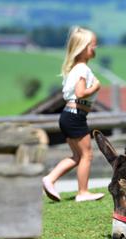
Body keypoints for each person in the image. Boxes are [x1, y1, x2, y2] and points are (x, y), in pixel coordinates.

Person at [42, 26, 104, 203]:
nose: (95, 48)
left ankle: (50, 179)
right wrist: (96, 87)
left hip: (68, 116)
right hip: (75, 116)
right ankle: (82, 192)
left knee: (78, 156)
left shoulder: (75, 69)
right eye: (93, 45)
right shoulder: (82, 69)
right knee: (87, 155)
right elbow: (81, 93)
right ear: (84, 47)